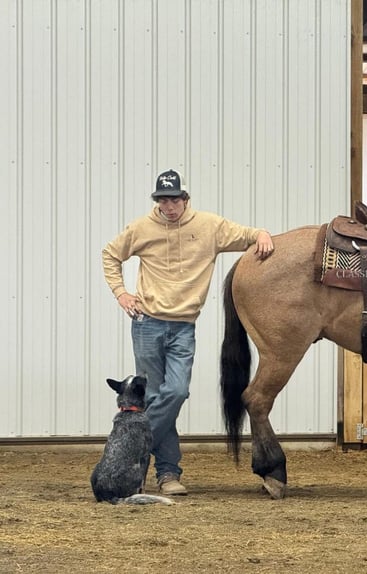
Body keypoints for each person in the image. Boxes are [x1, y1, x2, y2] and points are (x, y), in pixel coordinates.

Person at [102, 169, 274, 496]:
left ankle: (135, 449)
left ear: (185, 198)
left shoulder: (209, 226)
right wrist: (121, 292)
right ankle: (168, 474)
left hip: (183, 326)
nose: (169, 206)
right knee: (153, 396)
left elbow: (245, 235)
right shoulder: (141, 228)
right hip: (147, 323)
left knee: (177, 391)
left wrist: (262, 234)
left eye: (174, 199)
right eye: (162, 200)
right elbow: (110, 254)